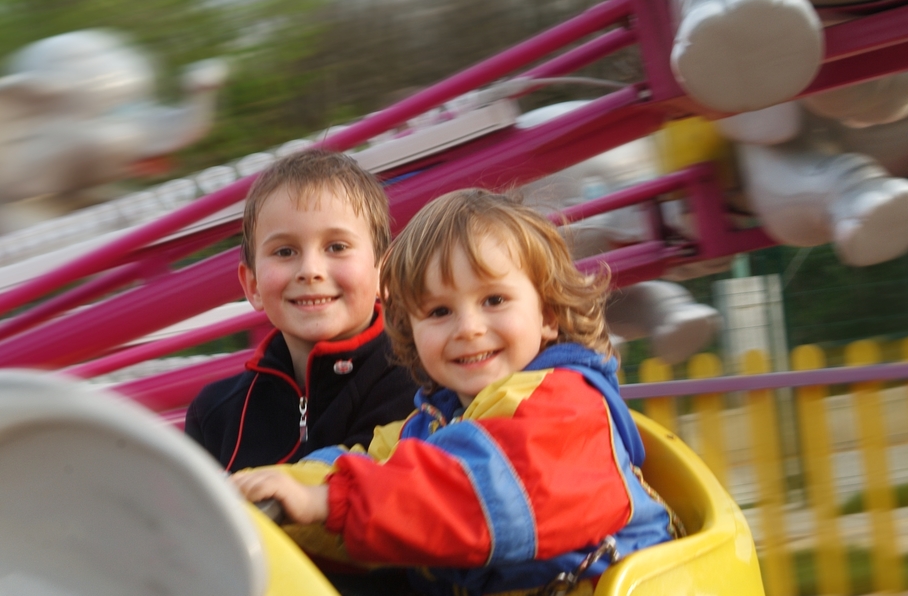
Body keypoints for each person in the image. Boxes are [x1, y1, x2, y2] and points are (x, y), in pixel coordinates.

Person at [232, 188, 680, 596]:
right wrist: (269, 490)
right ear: (410, 330)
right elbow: (364, 464)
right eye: (440, 311)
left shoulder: (565, 409)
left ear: (547, 314)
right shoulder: (432, 422)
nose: (469, 329)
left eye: (494, 301)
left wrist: (329, 500)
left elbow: (476, 496)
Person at [184, 148, 418, 474]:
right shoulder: (215, 415)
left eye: (336, 247)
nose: (310, 270)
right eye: (285, 251)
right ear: (252, 285)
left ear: (384, 271)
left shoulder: (420, 383)